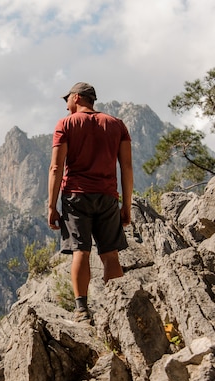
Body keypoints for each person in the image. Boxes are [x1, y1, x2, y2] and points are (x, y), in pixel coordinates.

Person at [47, 82, 133, 323]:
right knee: (110, 254)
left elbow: (56, 167)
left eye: (68, 101)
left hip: (76, 196)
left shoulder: (66, 124)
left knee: (80, 251)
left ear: (77, 98)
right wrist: (126, 205)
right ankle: (120, 307)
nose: (66, 106)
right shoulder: (117, 125)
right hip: (107, 197)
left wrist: (52, 206)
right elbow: (126, 167)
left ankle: (81, 310)